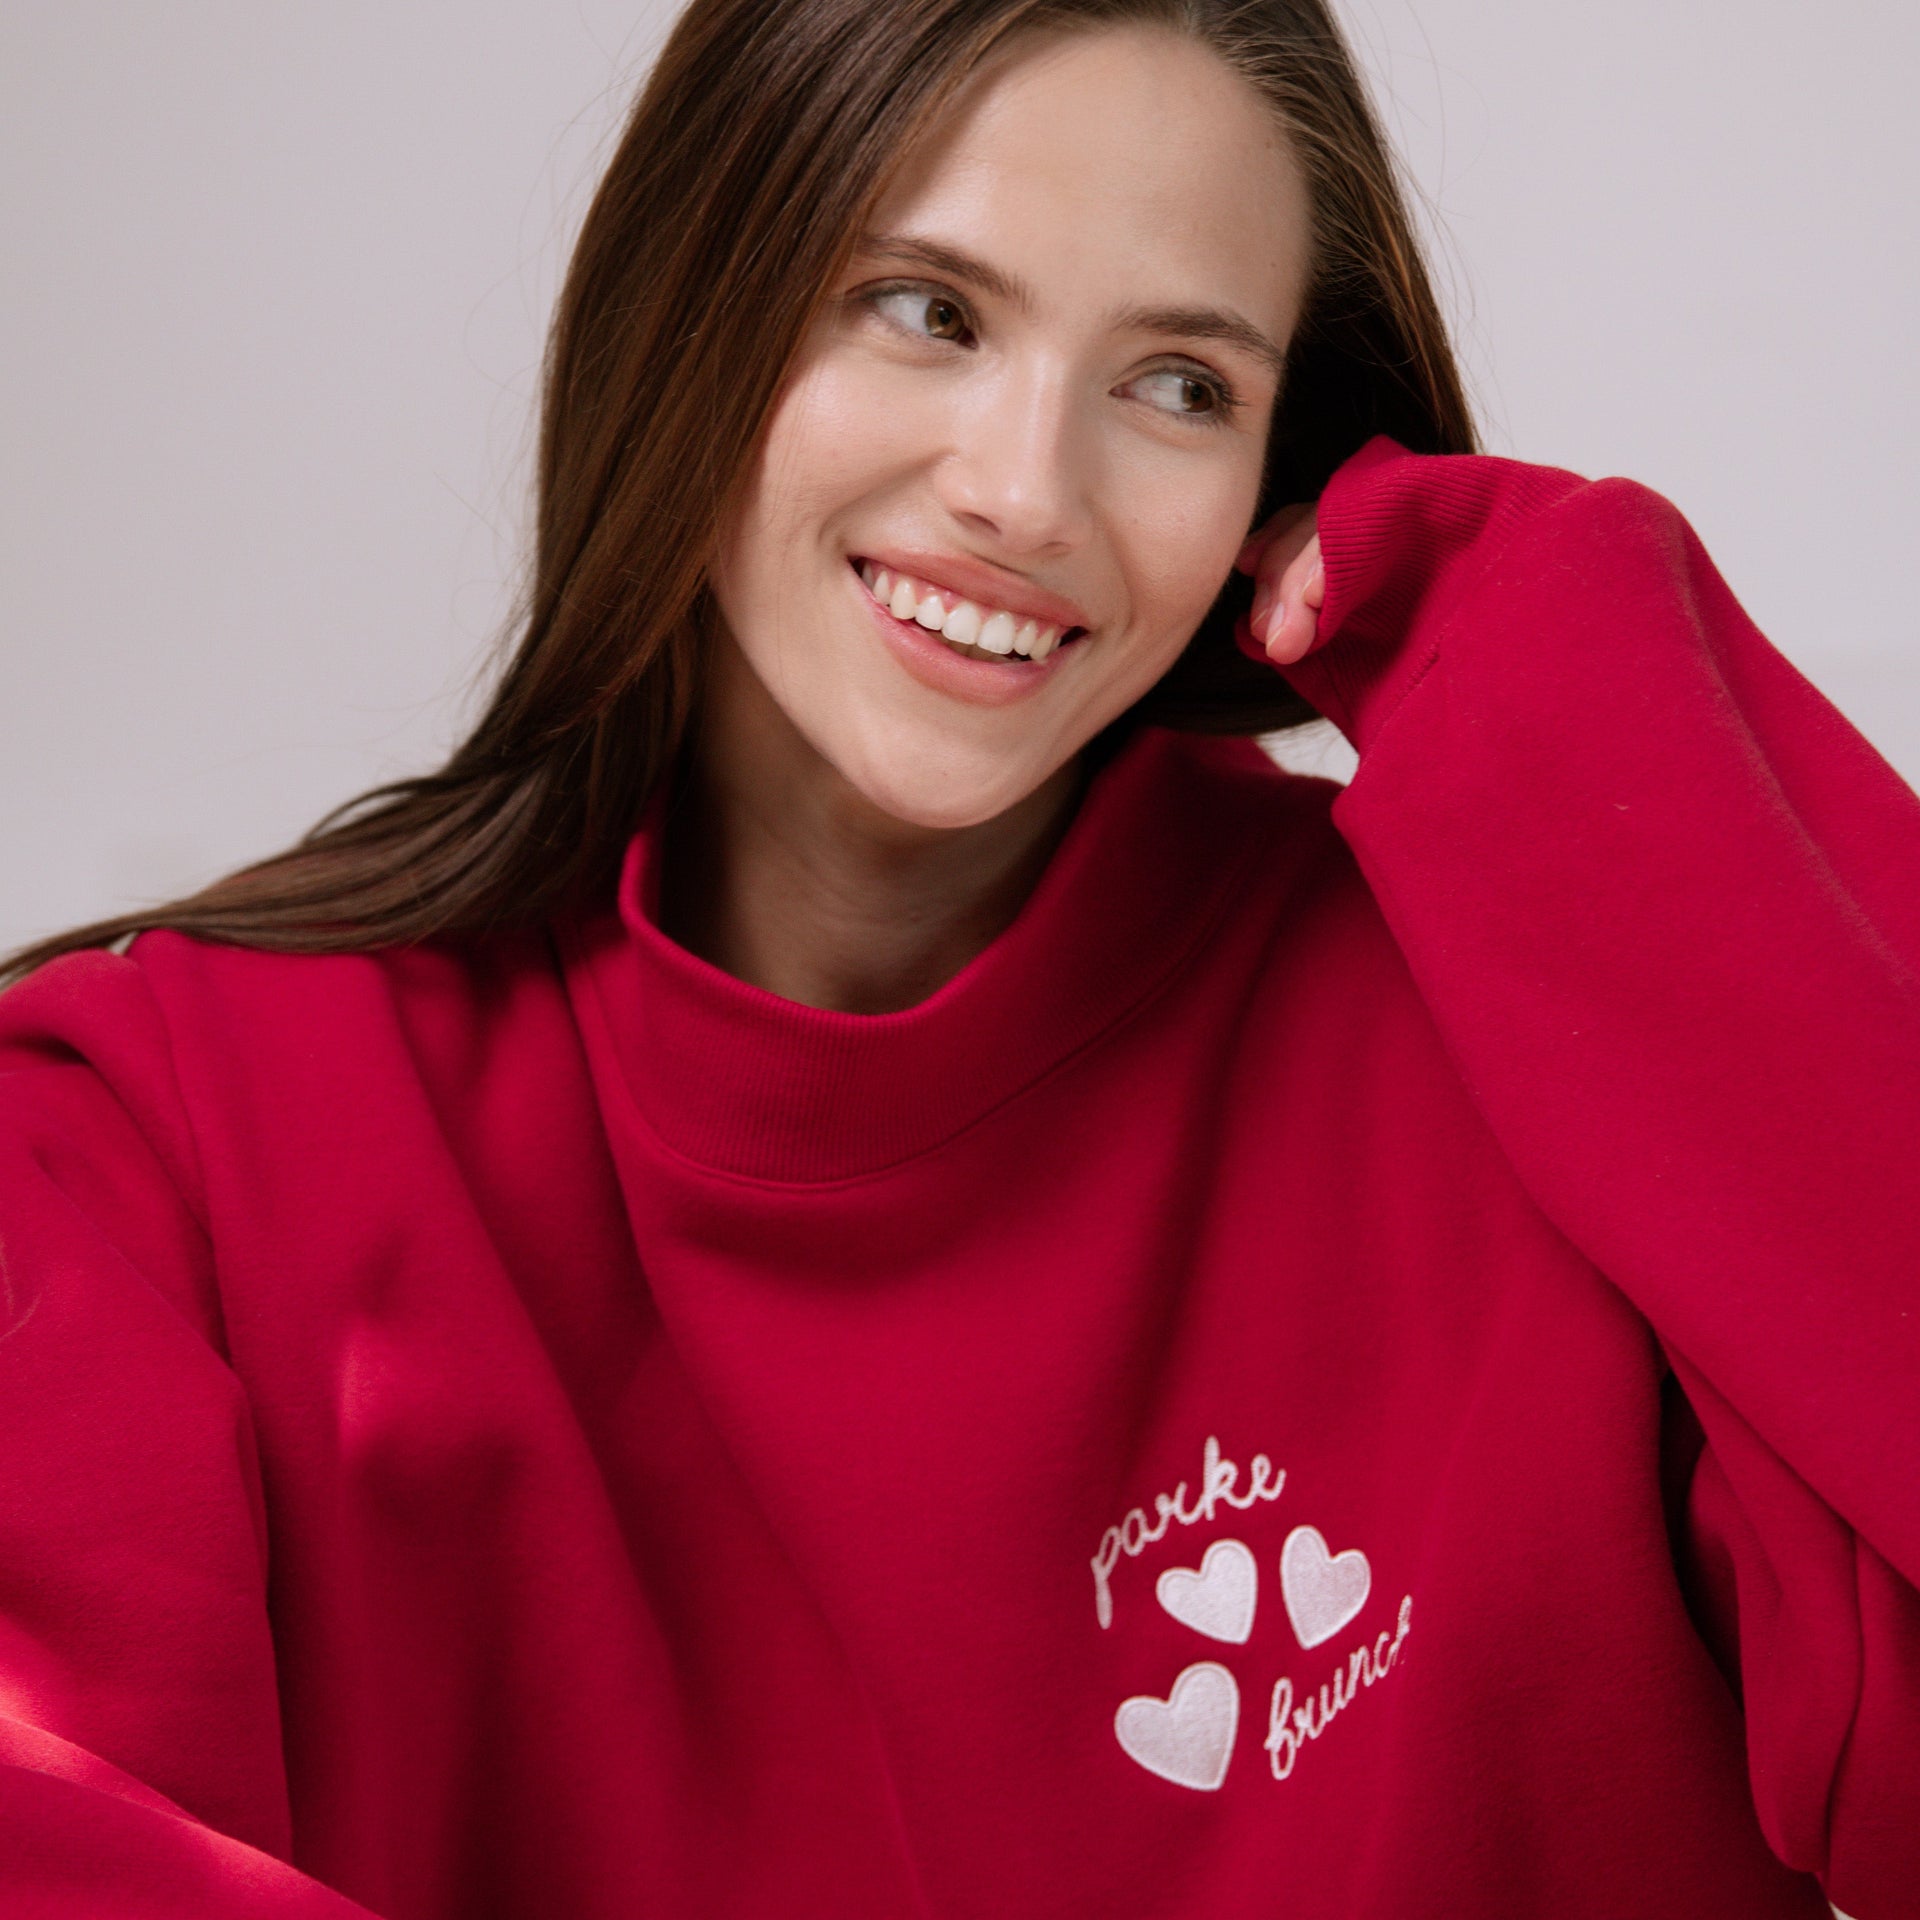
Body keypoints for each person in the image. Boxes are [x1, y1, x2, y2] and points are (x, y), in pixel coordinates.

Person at [0, 0, 1914, 1914]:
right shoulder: (145, 1146)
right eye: (928, 310)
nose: (1025, 494)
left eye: (1178, 383)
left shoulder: (1519, 1039)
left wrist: (1592, 713)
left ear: (1281, 463)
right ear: (697, 299)